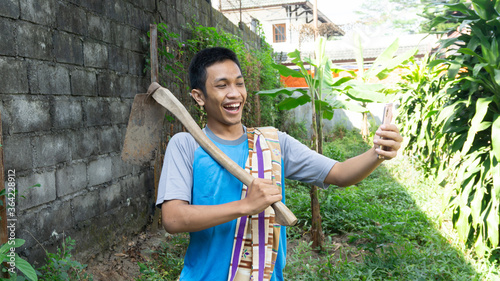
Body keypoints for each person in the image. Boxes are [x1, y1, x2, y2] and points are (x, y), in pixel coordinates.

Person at [156, 47, 403, 281]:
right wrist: (245, 206)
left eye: (239, 83)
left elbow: (339, 173)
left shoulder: (273, 143)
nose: (235, 93)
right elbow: (174, 219)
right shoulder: (186, 145)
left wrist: (378, 153)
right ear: (199, 96)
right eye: (222, 86)